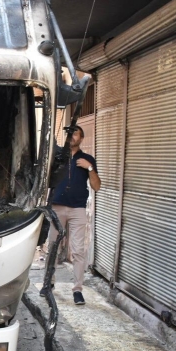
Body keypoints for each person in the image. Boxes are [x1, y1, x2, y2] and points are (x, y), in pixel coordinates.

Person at [44, 126, 101, 305]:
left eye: (75, 133)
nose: (72, 136)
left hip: (77, 209)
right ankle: (48, 284)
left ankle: (77, 290)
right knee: (53, 247)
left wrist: (90, 168)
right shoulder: (57, 157)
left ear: (81, 138)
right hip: (56, 207)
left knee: (78, 251)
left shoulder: (87, 159)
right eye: (69, 133)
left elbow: (97, 186)